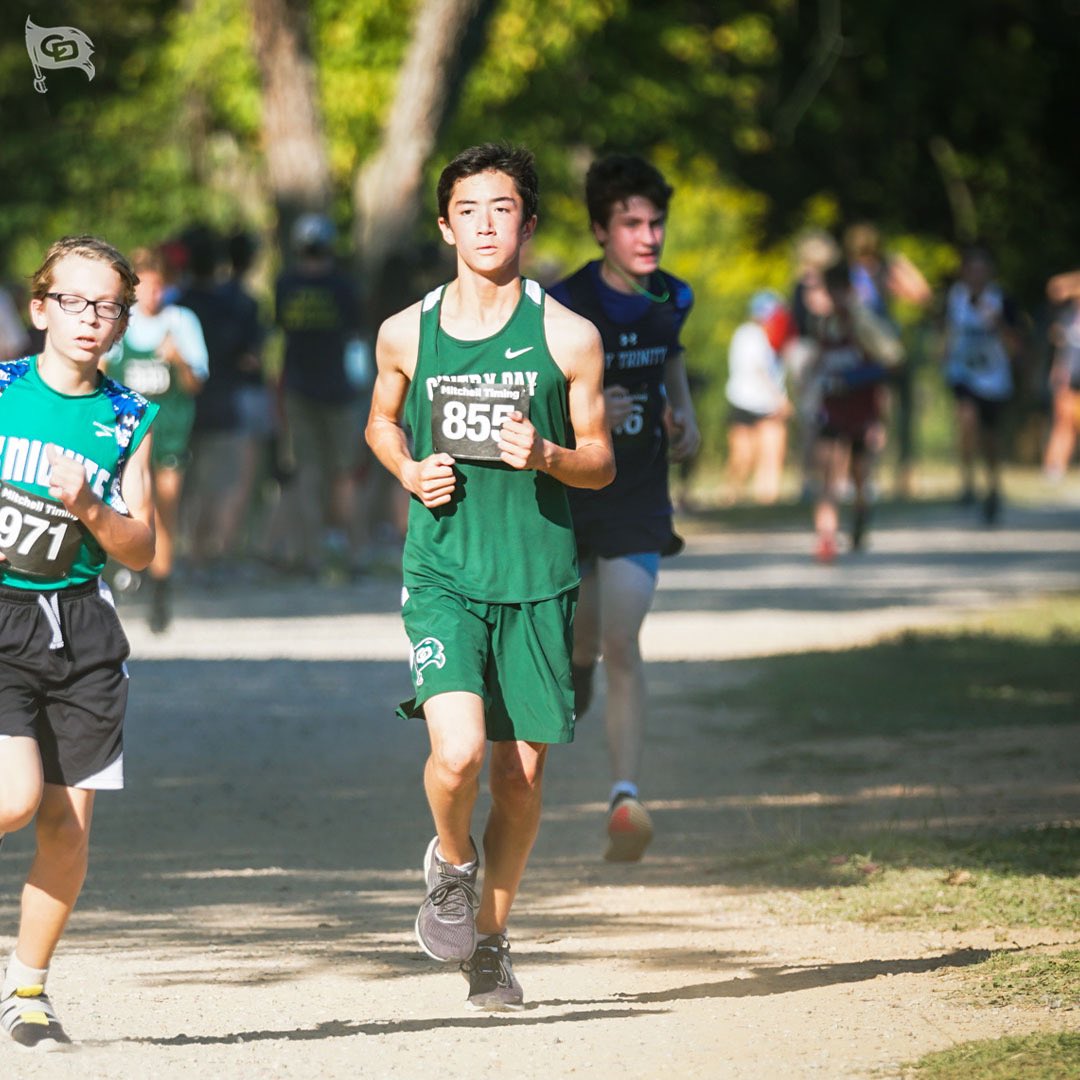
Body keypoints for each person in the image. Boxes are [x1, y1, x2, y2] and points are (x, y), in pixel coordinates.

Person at [365, 143, 613, 1011]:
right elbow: (380, 424)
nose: (484, 224)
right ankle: (452, 862)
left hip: (539, 576)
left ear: (529, 223)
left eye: (502, 209)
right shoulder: (407, 329)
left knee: (521, 780)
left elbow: (601, 463)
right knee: (459, 751)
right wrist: (405, 471)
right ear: (444, 225)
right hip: (443, 572)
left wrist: (549, 454)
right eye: (467, 210)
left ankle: (492, 947)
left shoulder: (568, 335)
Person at [0, 235, 157, 1050]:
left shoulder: (129, 417)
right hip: (1, 614)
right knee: (13, 798)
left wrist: (93, 512)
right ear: (40, 308)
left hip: (82, 627)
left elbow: (143, 547)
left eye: (109, 305)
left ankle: (27, 992)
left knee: (66, 827)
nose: (91, 318)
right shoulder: (0, 391)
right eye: (74, 301)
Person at [548, 154, 699, 862]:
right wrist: (586, 413)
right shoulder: (564, 304)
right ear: (601, 231)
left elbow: (669, 366)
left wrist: (685, 420)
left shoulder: (673, 298)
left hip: (639, 501)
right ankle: (574, 670)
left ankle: (625, 796)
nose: (648, 235)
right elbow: (532, 403)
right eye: (631, 223)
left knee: (622, 640)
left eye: (655, 221)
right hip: (574, 501)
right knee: (584, 640)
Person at [108, 247, 207, 631]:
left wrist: (178, 358)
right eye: (143, 287)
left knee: (164, 506)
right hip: (127, 431)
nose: (150, 295)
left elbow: (196, 383)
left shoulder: (181, 322)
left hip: (170, 430)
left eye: (157, 287)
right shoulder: (120, 322)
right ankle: (121, 573)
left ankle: (161, 589)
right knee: (123, 504)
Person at [272, 214, 363, 579]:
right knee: (344, 471)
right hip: (340, 389)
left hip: (298, 386)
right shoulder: (343, 285)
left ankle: (310, 551)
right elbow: (356, 334)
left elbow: (281, 329)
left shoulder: (285, 283)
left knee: (308, 471)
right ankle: (344, 547)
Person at [179, 229, 267, 576]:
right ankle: (214, 553)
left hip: (183, 408)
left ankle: (182, 555)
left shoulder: (178, 303)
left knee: (183, 485)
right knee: (223, 486)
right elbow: (250, 357)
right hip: (225, 403)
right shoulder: (234, 304)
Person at [806, 261, 903, 561]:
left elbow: (893, 359)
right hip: (832, 408)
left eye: (838, 291)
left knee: (859, 472)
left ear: (849, 290)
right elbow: (820, 359)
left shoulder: (863, 322)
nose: (832, 298)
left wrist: (855, 378)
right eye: (828, 291)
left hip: (860, 409)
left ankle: (861, 511)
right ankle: (826, 536)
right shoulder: (824, 323)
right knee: (827, 470)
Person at [843, 223, 931, 498]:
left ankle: (874, 475)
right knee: (872, 414)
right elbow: (923, 294)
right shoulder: (864, 272)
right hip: (871, 353)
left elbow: (921, 295)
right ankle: (868, 475)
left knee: (874, 413)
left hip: (875, 353)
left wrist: (899, 266)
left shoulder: (873, 272)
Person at [941, 245, 1020, 524]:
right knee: (966, 419)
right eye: (970, 269)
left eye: (981, 269)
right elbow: (948, 331)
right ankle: (967, 483)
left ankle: (993, 485)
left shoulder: (1001, 300)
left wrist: (996, 321)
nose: (975, 275)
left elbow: (1015, 345)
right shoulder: (955, 298)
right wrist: (944, 353)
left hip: (994, 379)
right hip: (963, 373)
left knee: (990, 438)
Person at [724, 290, 793, 504]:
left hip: (769, 406)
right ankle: (730, 496)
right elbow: (759, 370)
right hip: (745, 402)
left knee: (772, 456)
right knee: (743, 458)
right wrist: (780, 398)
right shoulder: (749, 334)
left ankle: (767, 502)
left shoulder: (778, 338)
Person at [1043, 273, 1080, 481]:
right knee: (1064, 422)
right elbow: (1055, 287)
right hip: (1070, 375)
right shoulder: (1067, 317)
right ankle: (1055, 467)